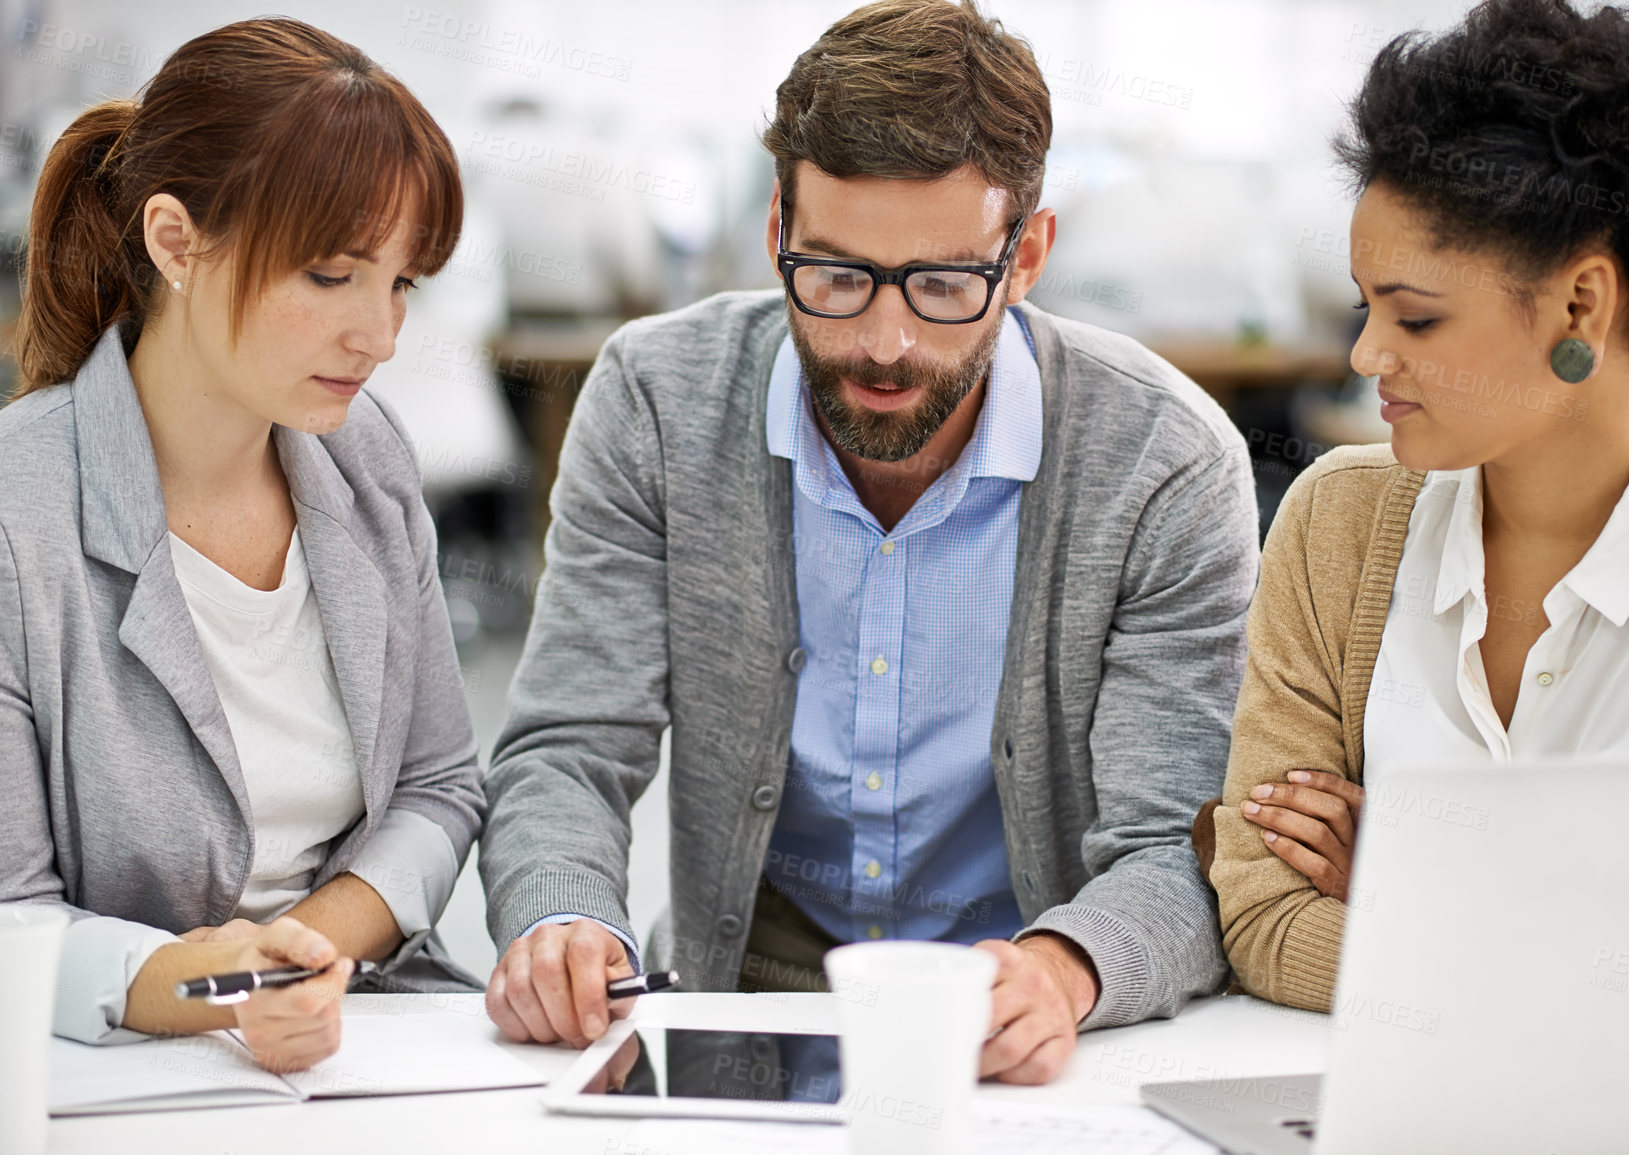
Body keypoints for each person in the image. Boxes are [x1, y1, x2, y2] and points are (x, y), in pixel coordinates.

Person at [480, 0, 1258, 1090]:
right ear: (774, 234)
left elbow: (1178, 844)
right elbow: (568, 746)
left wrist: (1068, 967)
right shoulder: (656, 400)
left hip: (1034, 1007)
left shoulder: (1163, 461)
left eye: (943, 285)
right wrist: (565, 920)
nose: (884, 345)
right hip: (750, 982)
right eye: (836, 276)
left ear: (1026, 254)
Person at [1204, 0, 1629, 1011]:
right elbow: (1265, 916)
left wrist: (1408, 890)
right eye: (1367, 309)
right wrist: (1598, 946)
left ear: (1581, 305)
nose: (1367, 357)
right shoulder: (1337, 525)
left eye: (1417, 316)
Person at [0, 18, 484, 1070]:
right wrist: (217, 991)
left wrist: (311, 951)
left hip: (365, 1032)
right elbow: (9, 918)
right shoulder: (18, 513)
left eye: (402, 282)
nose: (381, 335)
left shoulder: (370, 461)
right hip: (111, 1066)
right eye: (330, 275)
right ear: (177, 242)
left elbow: (442, 786)